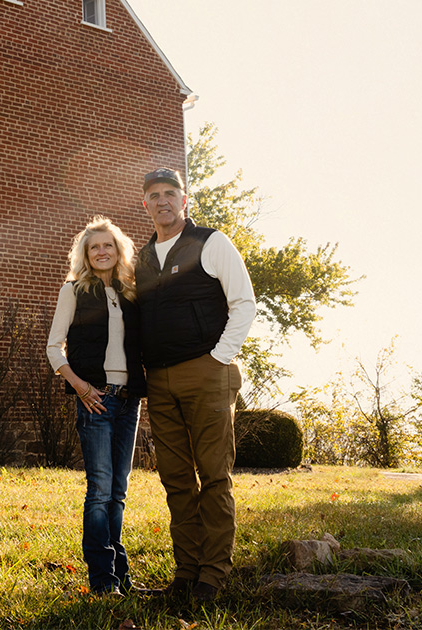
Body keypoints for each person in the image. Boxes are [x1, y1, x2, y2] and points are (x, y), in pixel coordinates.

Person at [135, 168, 256, 603]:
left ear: (184, 200)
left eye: (171, 193)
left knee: (214, 476)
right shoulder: (143, 259)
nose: (163, 200)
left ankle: (213, 575)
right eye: (154, 195)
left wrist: (218, 358)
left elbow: (244, 303)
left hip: (207, 372)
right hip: (160, 381)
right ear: (145, 204)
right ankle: (185, 571)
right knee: (176, 479)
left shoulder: (211, 242)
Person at [46, 216, 147, 596]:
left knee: (118, 491)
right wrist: (81, 387)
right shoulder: (73, 290)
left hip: (129, 399)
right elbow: (54, 348)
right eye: (94, 247)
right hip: (96, 400)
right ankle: (103, 581)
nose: (102, 251)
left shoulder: (130, 294)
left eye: (108, 245)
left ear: (119, 250)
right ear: (85, 255)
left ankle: (122, 577)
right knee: (100, 490)